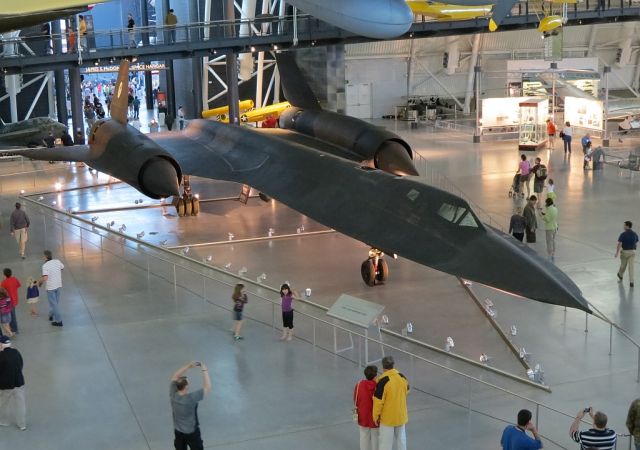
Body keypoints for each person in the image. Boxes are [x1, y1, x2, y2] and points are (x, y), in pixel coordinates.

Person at [170, 361, 211, 450]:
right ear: (186, 387)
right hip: (192, 433)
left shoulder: (173, 393)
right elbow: (207, 386)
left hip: (178, 431)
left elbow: (175, 376)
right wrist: (204, 369)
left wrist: (188, 366)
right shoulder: (191, 398)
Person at [373, 356, 409, 450]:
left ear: (383, 367)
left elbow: (378, 402)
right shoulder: (402, 377)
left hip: (387, 418)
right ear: (393, 365)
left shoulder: (382, 382)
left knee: (385, 444)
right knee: (401, 441)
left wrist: (375, 416)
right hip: (401, 416)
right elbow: (407, 391)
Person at [0, 335, 26, 431]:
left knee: (3, 403)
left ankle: (3, 421)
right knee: (21, 404)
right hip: (19, 383)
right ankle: (22, 424)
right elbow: (21, 364)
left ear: (1, 345)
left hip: (5, 385)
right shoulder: (16, 352)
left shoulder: (1, 356)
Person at [354, 365, 379, 450]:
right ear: (375, 375)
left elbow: (355, 399)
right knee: (376, 438)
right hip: (375, 417)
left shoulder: (359, 384)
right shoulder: (378, 386)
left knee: (364, 437)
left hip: (363, 415)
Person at [39, 250, 65, 327]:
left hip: (50, 288)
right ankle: (51, 314)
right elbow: (62, 268)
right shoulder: (57, 261)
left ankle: (59, 321)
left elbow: (45, 278)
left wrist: (39, 282)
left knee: (54, 305)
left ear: (45, 257)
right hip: (58, 285)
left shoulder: (45, 266)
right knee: (55, 303)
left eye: (43, 256)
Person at [615, 220, 638, 288]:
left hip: (624, 252)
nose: (623, 226)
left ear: (627, 226)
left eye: (624, 225)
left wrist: (617, 253)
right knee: (631, 267)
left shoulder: (623, 234)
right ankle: (631, 282)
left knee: (623, 265)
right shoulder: (635, 234)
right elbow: (636, 242)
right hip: (632, 252)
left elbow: (619, 244)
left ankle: (620, 275)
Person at [2, 269, 21, 335]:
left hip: (8, 302)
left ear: (4, 275)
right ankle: (12, 328)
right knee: (11, 315)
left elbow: (1, 291)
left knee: (12, 316)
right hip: (15, 300)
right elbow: (19, 285)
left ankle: (15, 329)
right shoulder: (14, 279)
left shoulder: (4, 282)